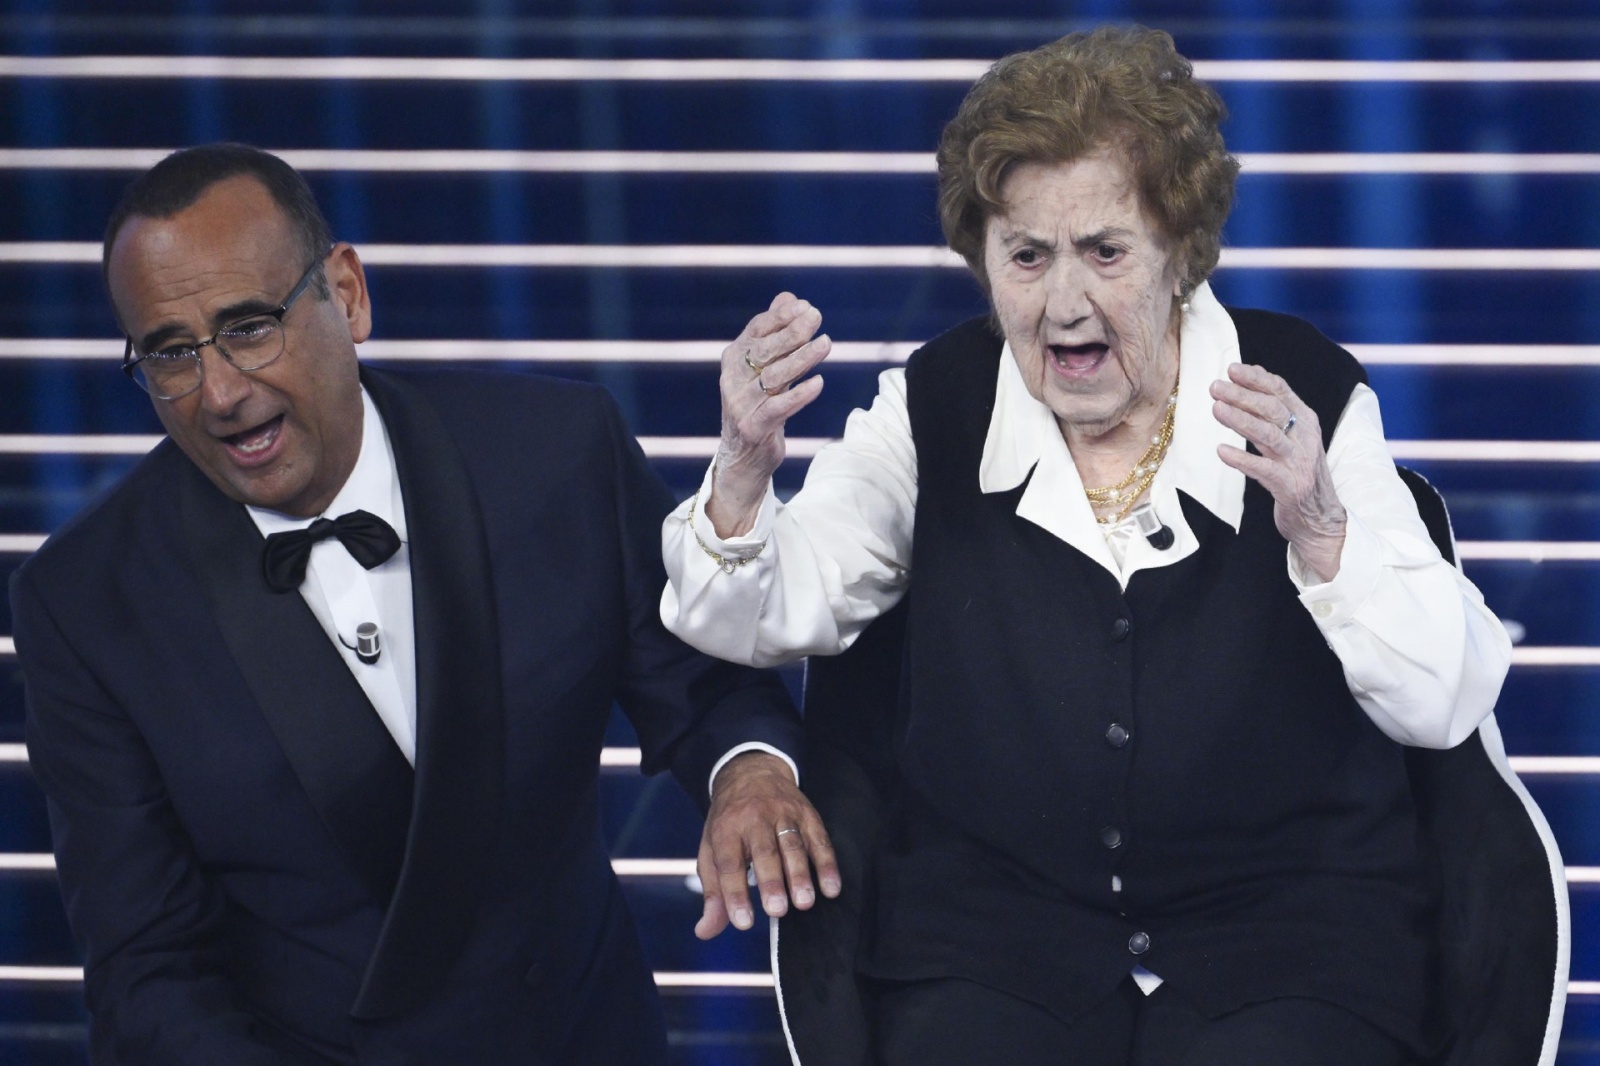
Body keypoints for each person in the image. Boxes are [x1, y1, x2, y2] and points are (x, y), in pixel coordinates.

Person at [662, 26, 1513, 1066]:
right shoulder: (931, 404)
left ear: (1180, 255)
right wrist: (746, 468)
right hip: (991, 944)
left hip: (1287, 942)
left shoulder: (1303, 394)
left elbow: (1446, 698)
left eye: (1104, 251)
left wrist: (1322, 532)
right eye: (1026, 255)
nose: (1062, 301)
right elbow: (762, 612)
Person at [13, 143, 836, 1065]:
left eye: (249, 327)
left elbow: (704, 680)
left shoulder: (555, 452)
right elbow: (148, 974)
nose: (219, 393)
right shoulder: (85, 603)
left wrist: (749, 774)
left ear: (349, 294)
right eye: (170, 353)